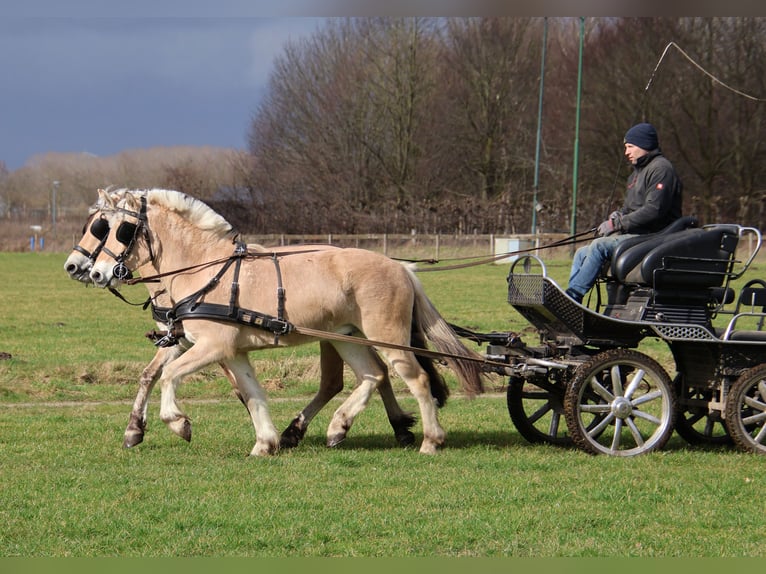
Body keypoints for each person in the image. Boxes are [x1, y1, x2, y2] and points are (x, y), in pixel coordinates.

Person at [565, 122, 683, 303]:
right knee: (582, 252)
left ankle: (572, 297)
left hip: (655, 237)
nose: (626, 152)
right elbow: (631, 209)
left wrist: (617, 224)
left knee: (599, 246)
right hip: (637, 235)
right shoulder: (636, 174)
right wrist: (618, 215)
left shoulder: (661, 169)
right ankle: (573, 304)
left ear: (644, 145)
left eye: (630, 147)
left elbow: (653, 210)